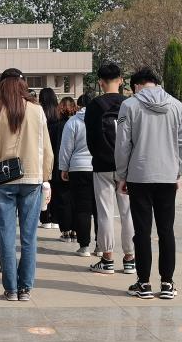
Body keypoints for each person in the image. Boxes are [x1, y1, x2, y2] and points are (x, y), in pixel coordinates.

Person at [0, 68, 54, 302]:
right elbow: (46, 147)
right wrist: (45, 177)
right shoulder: (36, 110)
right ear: (23, 84)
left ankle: (11, 288)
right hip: (31, 178)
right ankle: (25, 288)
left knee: (6, 235)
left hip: (4, 180)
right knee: (29, 237)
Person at [116, 68, 182, 300]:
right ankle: (167, 283)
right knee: (166, 230)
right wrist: (178, 172)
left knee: (142, 231)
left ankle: (144, 283)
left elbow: (123, 144)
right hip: (167, 175)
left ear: (137, 85)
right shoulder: (177, 106)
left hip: (139, 175)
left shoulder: (129, 106)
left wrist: (122, 175)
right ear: (156, 82)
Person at [84, 64, 135, 274]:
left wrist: (98, 154)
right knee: (128, 212)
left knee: (105, 212)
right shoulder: (129, 104)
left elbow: (90, 138)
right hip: (127, 167)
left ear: (100, 82)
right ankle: (130, 258)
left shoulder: (95, 105)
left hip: (102, 164)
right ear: (121, 80)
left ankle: (107, 258)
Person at [59, 94, 97, 258]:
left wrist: (64, 167)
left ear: (79, 105)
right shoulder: (100, 118)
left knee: (82, 208)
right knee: (99, 208)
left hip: (78, 167)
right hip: (98, 166)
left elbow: (66, 147)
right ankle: (101, 246)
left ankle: (84, 246)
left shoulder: (73, 122)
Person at [53, 96, 79, 242]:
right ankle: (75, 230)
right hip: (76, 166)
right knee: (75, 199)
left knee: (63, 200)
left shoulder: (57, 126)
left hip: (59, 166)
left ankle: (66, 230)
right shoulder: (78, 123)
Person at [38, 88, 62, 231]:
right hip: (58, 156)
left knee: (44, 187)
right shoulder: (59, 115)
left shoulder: (40, 114)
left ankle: (45, 217)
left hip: (43, 156)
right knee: (57, 189)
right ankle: (56, 219)